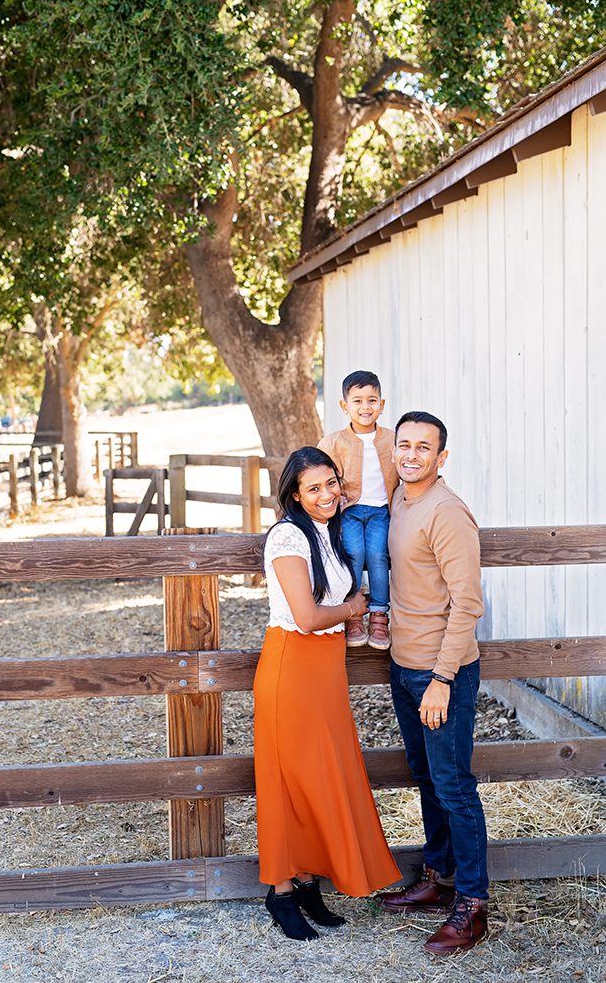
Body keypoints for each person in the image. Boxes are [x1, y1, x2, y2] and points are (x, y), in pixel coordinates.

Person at [254, 446, 401, 941]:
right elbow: (307, 616)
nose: (326, 494)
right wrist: (356, 607)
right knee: (288, 783)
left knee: (319, 777)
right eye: (313, 488)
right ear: (295, 495)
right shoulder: (288, 536)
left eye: (331, 483)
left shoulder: (332, 532)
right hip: (292, 667)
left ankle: (307, 881)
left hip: (325, 671)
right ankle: (280, 890)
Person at [376, 411, 488, 955]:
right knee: (425, 776)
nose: (412, 454)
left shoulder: (446, 512)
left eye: (424, 447)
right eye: (405, 444)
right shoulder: (399, 497)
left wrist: (442, 678)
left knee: (454, 786)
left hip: (442, 672)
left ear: (442, 457)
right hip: (404, 666)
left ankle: (473, 905)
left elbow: (468, 603)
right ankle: (438, 877)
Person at [318, 370, 398, 651]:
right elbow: (320, 473)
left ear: (382, 404)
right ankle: (353, 614)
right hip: (349, 511)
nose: (365, 407)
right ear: (345, 406)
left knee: (377, 555)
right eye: (358, 401)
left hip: (381, 511)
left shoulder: (392, 440)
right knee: (353, 553)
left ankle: (379, 616)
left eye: (372, 400)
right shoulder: (333, 442)